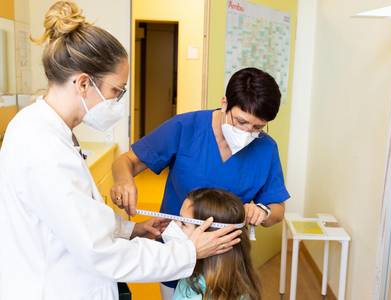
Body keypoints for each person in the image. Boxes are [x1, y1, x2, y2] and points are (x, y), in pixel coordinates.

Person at [0, 2, 241, 300]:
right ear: (84, 83)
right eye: (116, 91)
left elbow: (79, 217)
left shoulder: (44, 129)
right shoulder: (42, 148)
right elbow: (101, 253)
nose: (118, 101)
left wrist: (131, 229)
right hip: (54, 286)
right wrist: (189, 252)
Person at [111, 67, 290, 298]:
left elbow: (277, 209)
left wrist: (262, 212)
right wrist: (123, 180)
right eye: (241, 121)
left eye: (257, 127)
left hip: (226, 263)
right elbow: (127, 162)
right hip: (178, 251)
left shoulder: (266, 148)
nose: (247, 132)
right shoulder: (186, 127)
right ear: (225, 103)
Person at [173, 188, 262, 300]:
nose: (174, 225)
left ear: (211, 237)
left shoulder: (193, 293)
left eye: (183, 223)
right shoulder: (241, 282)